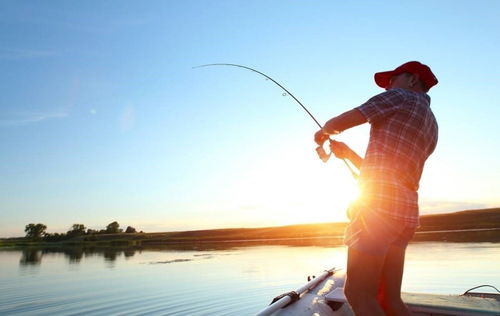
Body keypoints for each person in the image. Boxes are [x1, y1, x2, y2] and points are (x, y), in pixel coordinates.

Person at [314, 61, 439, 316]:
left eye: (392, 80)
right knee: (390, 299)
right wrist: (348, 154)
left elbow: (340, 122)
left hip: (379, 210)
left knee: (358, 294)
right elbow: (388, 171)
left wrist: (324, 131)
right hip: (405, 213)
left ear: (412, 80)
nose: (388, 87)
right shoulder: (432, 123)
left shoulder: (399, 97)